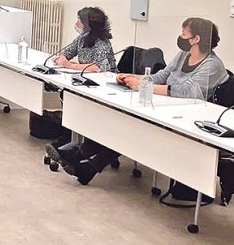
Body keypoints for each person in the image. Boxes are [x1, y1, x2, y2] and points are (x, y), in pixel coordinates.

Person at [65, 18, 228, 185]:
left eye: (184, 34)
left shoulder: (212, 65)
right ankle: (83, 158)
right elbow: (161, 76)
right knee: (124, 120)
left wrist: (144, 87)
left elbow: (185, 91)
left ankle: (85, 161)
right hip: (168, 105)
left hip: (189, 118)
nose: (180, 36)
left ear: (196, 39)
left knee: (134, 128)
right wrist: (132, 78)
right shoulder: (183, 55)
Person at [44, 7, 117, 172]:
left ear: (88, 24)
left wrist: (71, 65)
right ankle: (69, 140)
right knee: (67, 93)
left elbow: (98, 68)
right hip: (85, 83)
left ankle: (72, 145)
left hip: (103, 88)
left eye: (79, 20)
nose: (76, 23)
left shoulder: (102, 44)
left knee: (74, 99)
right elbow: (68, 52)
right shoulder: (83, 38)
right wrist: (62, 58)